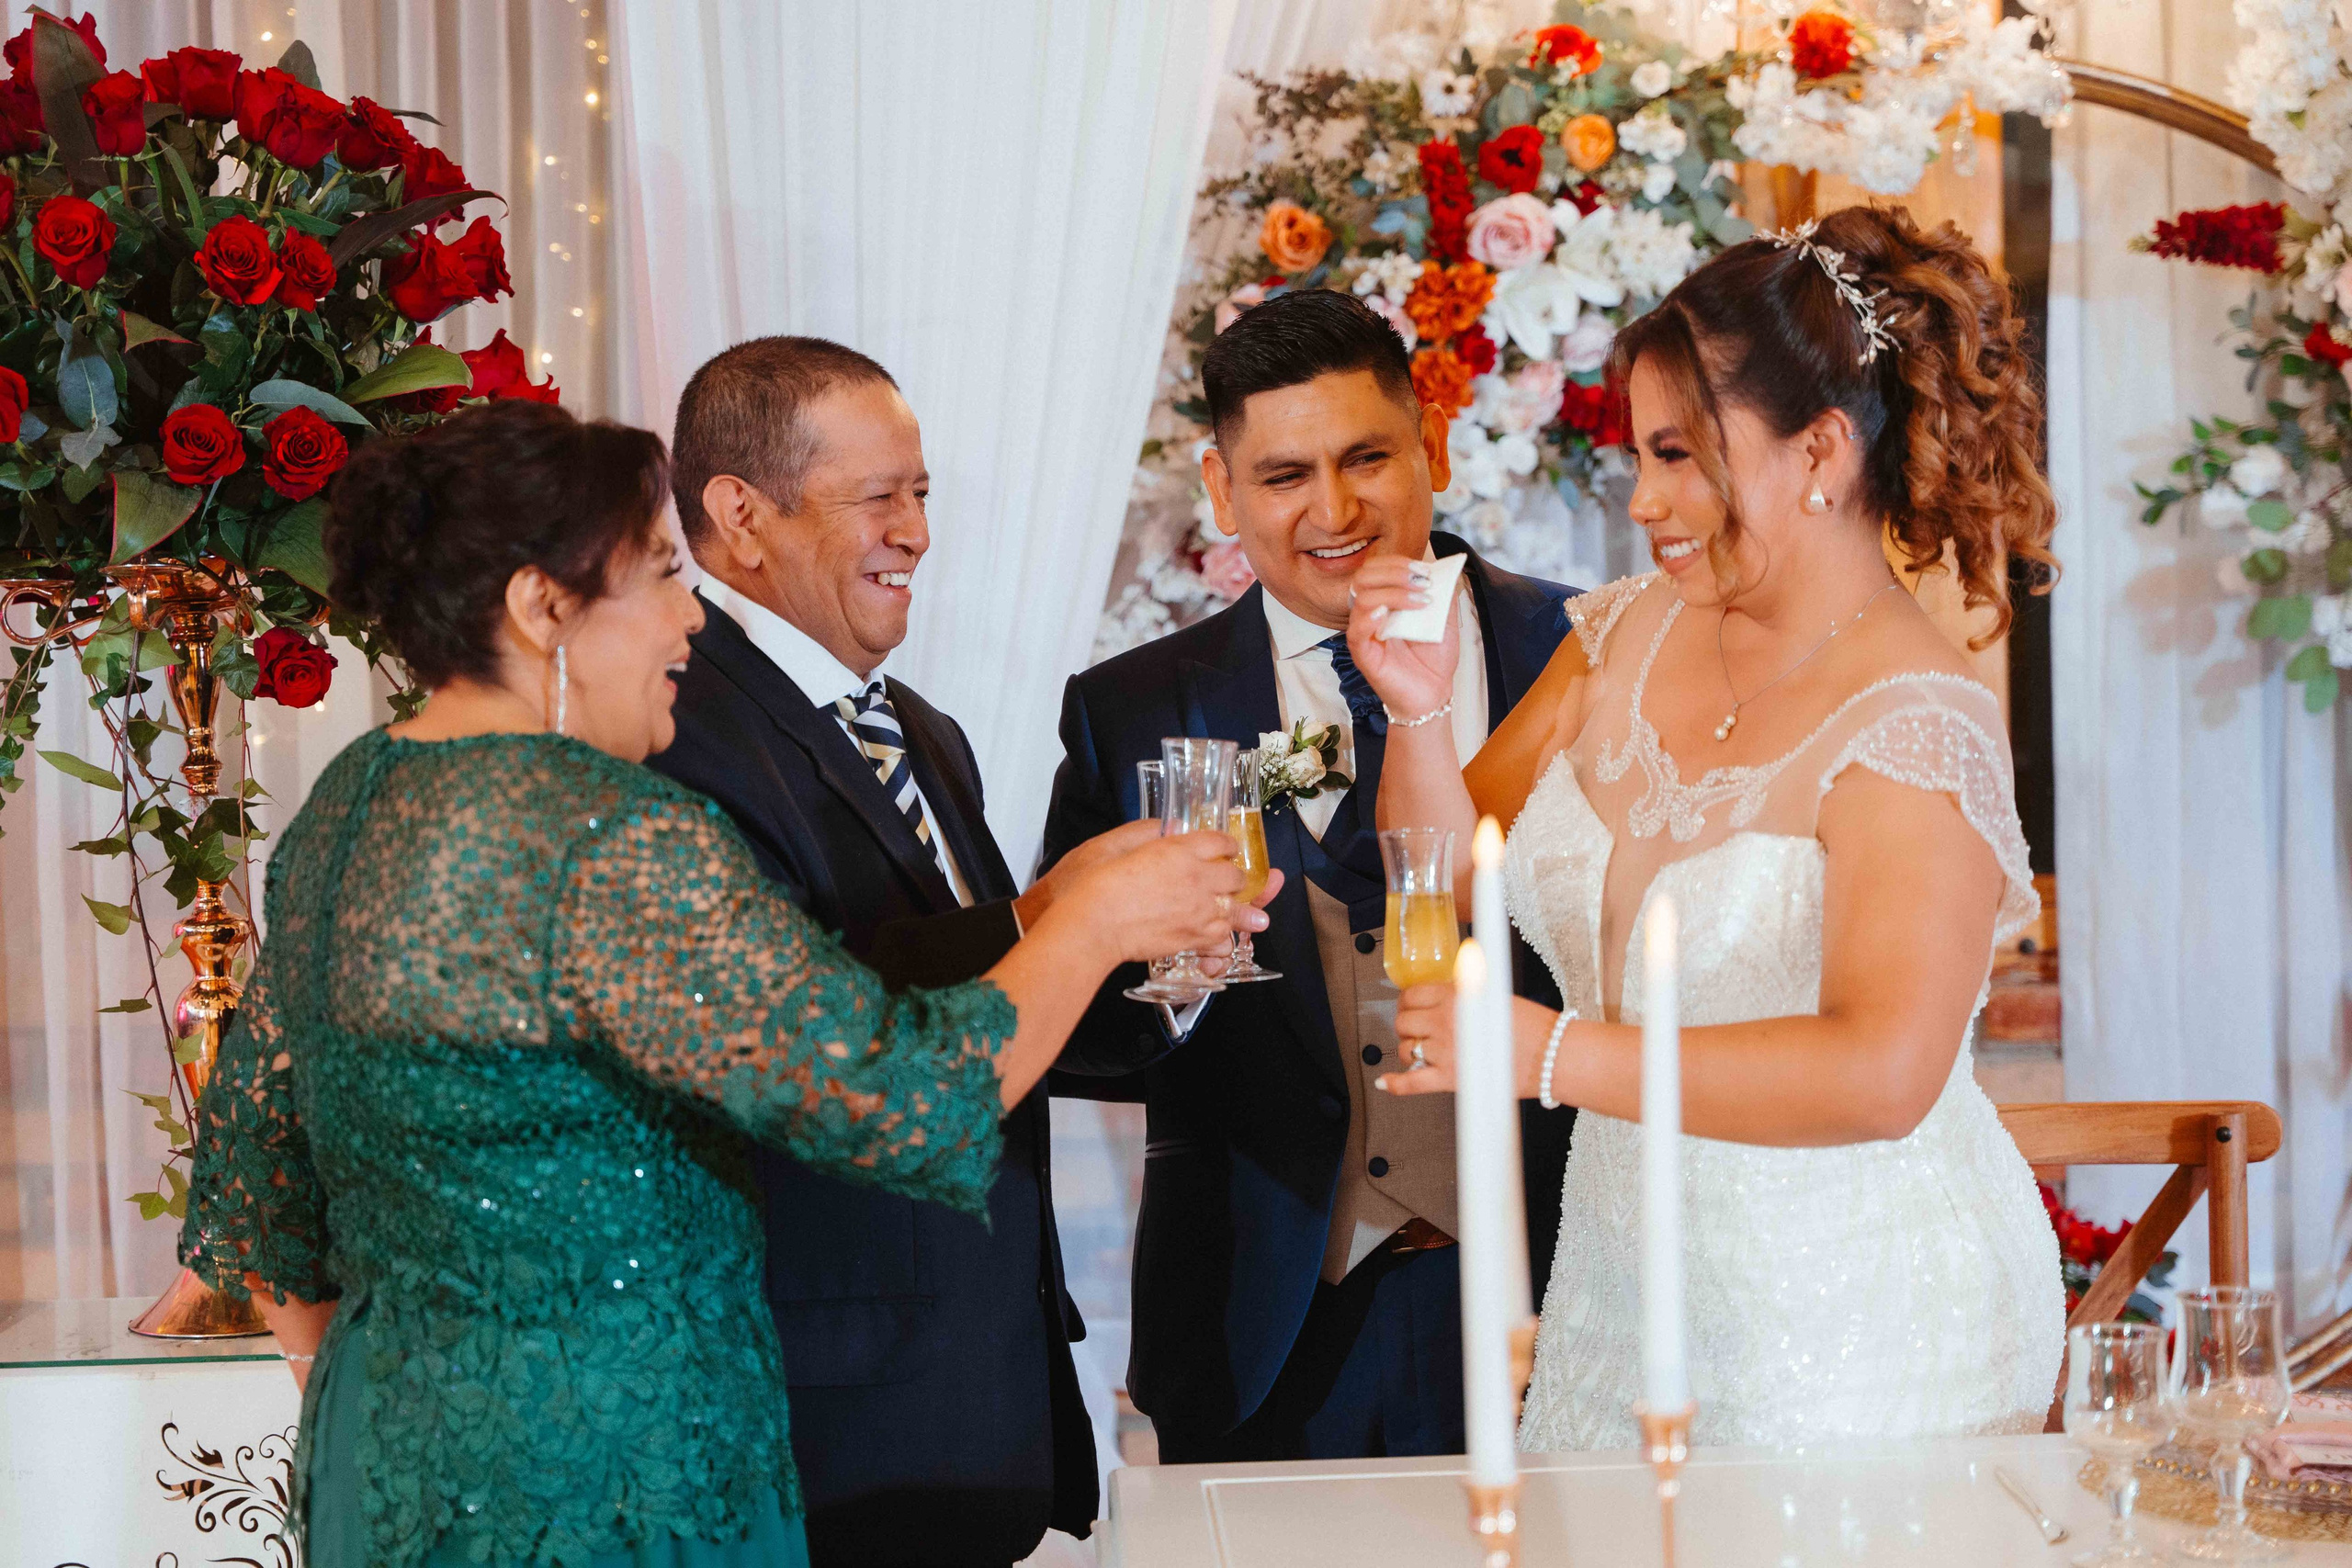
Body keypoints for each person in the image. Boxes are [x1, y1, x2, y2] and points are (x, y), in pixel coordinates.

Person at [175, 400, 1254, 1568]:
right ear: (544, 609)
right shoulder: (606, 832)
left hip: (384, 1466)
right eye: (655, 575)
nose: (691, 615)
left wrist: (419, 1403)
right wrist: (1090, 927)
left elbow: (262, 1208)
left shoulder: (337, 812)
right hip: (616, 1477)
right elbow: (901, 1099)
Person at [1357, 205, 2066, 1449]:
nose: (1644, 499)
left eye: (1681, 455)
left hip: (1864, 1324)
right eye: (1641, 455)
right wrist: (1414, 717)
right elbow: (1446, 871)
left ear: (1822, 450)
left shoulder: (1914, 721)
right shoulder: (1622, 631)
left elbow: (1884, 1072)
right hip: (1624, 1290)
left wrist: (1549, 1053)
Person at [647, 338, 1251, 1567]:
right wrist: (1068, 917)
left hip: (968, 1398)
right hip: (820, 1418)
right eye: (879, 495)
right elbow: (820, 1008)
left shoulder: (925, 733)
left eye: (923, 493)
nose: (917, 532)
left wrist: (1159, 968)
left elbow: (998, 1001)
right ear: (739, 513)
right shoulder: (677, 722)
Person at [1038, 288, 1581, 1462]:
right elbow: (1061, 1028)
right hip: (1260, 1321)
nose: (1333, 512)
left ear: (1429, 441)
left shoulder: (1587, 652)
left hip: (1566, 1297)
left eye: (1367, 458)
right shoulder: (1131, 712)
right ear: (1221, 488)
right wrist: (1168, 978)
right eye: (1282, 477)